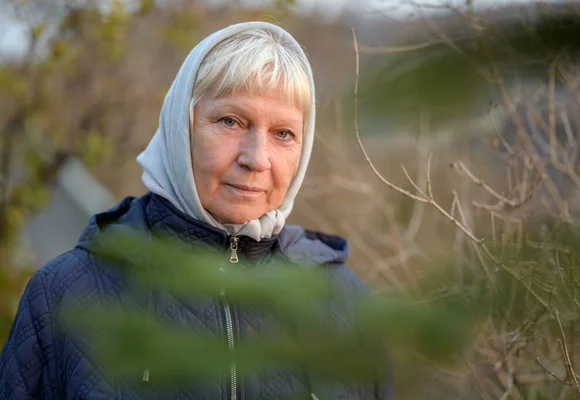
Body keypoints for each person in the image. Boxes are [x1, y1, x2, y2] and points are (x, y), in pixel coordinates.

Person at [0, 21, 394, 399]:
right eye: (231, 121)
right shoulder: (64, 296)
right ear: (180, 128)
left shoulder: (346, 304)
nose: (257, 159)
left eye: (284, 133)